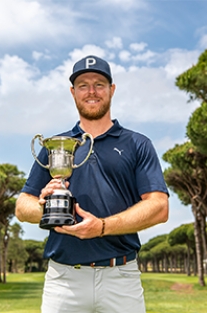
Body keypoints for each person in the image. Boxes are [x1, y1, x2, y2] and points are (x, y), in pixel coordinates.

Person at [15, 55, 169, 313]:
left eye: (99, 84)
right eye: (83, 85)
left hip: (120, 277)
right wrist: (49, 208)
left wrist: (102, 227)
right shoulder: (55, 146)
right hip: (64, 280)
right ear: (73, 92)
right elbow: (22, 207)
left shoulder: (138, 144)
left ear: (112, 89)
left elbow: (159, 207)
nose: (92, 91)